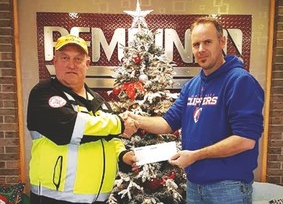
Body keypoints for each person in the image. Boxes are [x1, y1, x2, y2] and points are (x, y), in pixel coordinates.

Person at [128, 17, 264, 204]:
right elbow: (167, 123)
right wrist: (135, 119)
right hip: (194, 186)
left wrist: (195, 155)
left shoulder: (240, 81)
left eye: (207, 42)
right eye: (196, 44)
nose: (201, 50)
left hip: (228, 189)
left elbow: (246, 140)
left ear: (222, 42)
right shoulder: (192, 86)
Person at [27, 34, 137, 204]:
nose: (71, 64)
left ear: (87, 64)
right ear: (55, 62)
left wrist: (122, 155)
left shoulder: (98, 101)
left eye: (78, 59)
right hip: (55, 198)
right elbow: (69, 128)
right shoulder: (44, 93)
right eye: (65, 58)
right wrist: (119, 123)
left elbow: (109, 139)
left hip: (99, 198)